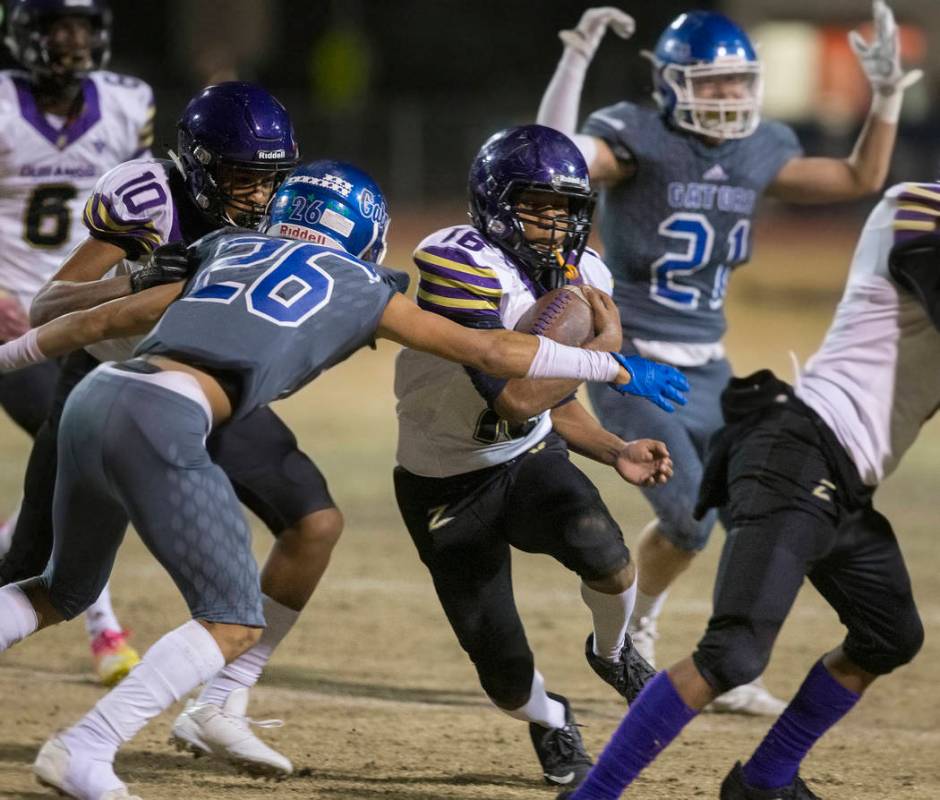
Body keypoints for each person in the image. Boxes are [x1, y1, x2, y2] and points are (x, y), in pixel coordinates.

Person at [0, 158, 682, 800]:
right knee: (233, 620)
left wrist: (7, 360)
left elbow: (99, 320)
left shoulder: (224, 249)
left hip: (96, 393)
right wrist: (614, 366)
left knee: (62, 587)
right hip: (167, 416)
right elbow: (493, 351)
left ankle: (139, 728)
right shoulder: (364, 286)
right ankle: (88, 745)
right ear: (366, 237)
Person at [536, 0, 921, 715]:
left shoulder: (758, 146)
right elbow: (556, 157)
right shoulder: (638, 136)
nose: (729, 96)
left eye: (738, 82)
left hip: (710, 365)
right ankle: (630, 643)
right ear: (672, 82)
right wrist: (575, 59)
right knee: (688, 519)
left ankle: (723, 663)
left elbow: (856, 179)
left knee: (759, 509)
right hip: (634, 359)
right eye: (712, 84)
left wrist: (889, 96)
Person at [0, 80, 345, 777]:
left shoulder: (289, 210)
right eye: (240, 177)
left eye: (268, 178)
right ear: (197, 165)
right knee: (40, 577)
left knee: (314, 523)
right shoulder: (149, 197)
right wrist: (135, 278)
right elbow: (49, 305)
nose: (256, 195)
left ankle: (221, 704)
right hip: (112, 384)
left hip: (212, 388)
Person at [555, 176, 934, 800]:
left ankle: (764, 783)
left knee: (889, 635)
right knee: (732, 656)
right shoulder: (918, 203)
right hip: (797, 453)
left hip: (841, 479)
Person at [394, 125, 685, 789]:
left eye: (567, 209)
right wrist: (607, 356)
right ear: (495, 203)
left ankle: (611, 651)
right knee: (502, 674)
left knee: (604, 551)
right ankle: (551, 718)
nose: (556, 223)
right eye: (538, 205)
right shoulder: (457, 260)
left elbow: (549, 405)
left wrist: (615, 449)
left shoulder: (589, 276)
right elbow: (516, 396)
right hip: (443, 481)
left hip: (526, 461)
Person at [0, 0, 155, 685]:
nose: (71, 41)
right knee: (75, 446)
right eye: (57, 27)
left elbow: (150, 206)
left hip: (89, 313)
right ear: (25, 34)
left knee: (75, 456)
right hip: (13, 316)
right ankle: (102, 627)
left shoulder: (127, 102)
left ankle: (19, 562)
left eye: (82, 28)